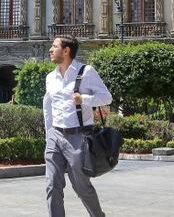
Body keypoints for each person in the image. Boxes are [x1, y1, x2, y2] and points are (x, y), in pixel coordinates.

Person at [43, 35, 112, 217]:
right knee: (52, 184)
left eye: (54, 46)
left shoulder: (86, 72)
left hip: (78, 137)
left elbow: (107, 97)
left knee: (81, 186)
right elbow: (48, 104)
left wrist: (84, 99)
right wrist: (48, 132)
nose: (50, 49)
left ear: (66, 51)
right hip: (54, 135)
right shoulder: (51, 77)